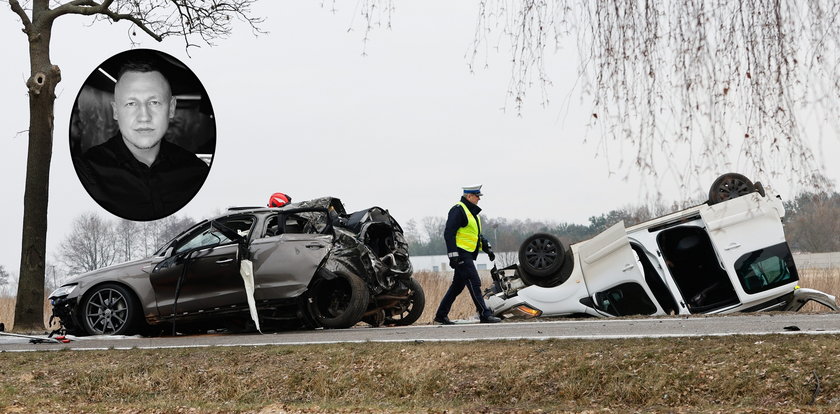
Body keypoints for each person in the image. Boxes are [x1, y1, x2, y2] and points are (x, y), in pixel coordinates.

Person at [74, 61, 209, 221]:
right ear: (116, 111)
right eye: (131, 104)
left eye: (154, 102)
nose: (144, 117)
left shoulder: (197, 172)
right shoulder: (86, 173)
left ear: (171, 108)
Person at [433, 185, 502, 324]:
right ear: (469, 196)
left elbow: (476, 236)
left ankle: (441, 315)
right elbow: (449, 233)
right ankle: (485, 314)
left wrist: (487, 248)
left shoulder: (473, 214)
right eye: (477, 196)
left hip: (467, 254)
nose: (479, 199)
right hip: (461, 254)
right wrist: (453, 255)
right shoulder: (458, 210)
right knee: (474, 282)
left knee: (457, 286)